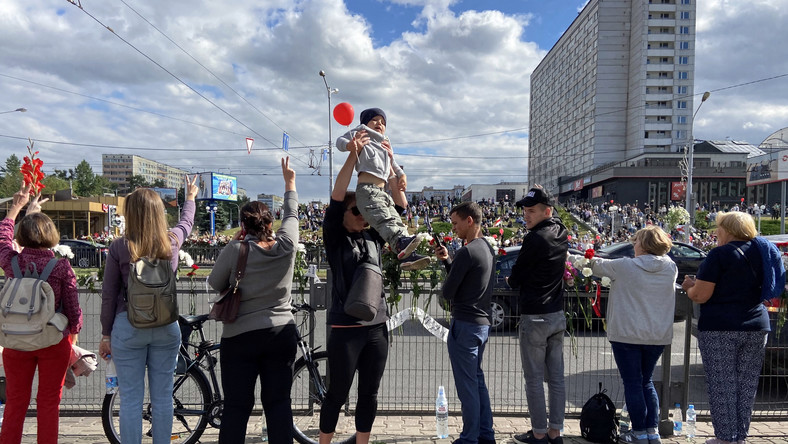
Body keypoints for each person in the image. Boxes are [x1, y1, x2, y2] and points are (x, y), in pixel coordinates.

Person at [99, 175, 199, 444]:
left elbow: (109, 295)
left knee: (131, 397)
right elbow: (186, 223)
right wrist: (190, 198)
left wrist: (106, 334)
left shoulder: (120, 246)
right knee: (163, 396)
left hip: (128, 325)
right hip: (166, 326)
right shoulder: (172, 242)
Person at [207, 158, 299, 444]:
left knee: (237, 407)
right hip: (281, 332)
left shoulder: (236, 249)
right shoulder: (287, 246)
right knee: (278, 403)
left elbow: (214, 283)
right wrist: (290, 183)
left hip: (241, 336)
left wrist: (236, 244)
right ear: (271, 222)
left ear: (243, 225)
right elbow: (293, 215)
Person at [319, 137, 398, 444]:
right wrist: (352, 156)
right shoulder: (335, 237)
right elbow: (338, 196)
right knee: (337, 394)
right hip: (345, 325)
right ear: (342, 215)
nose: (362, 214)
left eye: (364, 210)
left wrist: (390, 169)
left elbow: (394, 206)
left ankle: (361, 442)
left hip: (377, 326)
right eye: (356, 210)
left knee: (369, 393)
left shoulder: (374, 237)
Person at [681, 212, 783, 444]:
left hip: (720, 326)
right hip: (757, 324)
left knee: (722, 383)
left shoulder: (720, 254)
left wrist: (689, 287)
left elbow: (701, 295)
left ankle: (726, 438)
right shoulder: (762, 251)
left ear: (725, 230)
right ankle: (740, 436)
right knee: (747, 385)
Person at [0, 184, 82, 444]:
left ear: (21, 235)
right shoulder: (61, 267)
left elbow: (2, 238)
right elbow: (73, 309)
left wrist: (16, 208)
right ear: (52, 234)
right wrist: (74, 335)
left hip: (15, 340)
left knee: (15, 402)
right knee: (48, 403)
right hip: (51, 340)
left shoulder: (12, 262)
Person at [583, 226, 677, 444]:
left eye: (635, 242)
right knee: (646, 382)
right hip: (656, 335)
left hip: (627, 335)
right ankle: (652, 432)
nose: (633, 246)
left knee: (633, 383)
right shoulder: (671, 267)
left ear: (643, 245)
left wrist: (571, 254)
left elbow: (595, 265)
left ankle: (638, 432)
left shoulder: (625, 266)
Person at [507, 186, 568, 444]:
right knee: (556, 378)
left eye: (531, 211)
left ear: (547, 211)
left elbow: (516, 277)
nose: (526, 216)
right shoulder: (562, 232)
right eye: (525, 210)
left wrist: (512, 280)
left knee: (533, 378)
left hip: (536, 316)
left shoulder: (534, 238)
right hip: (556, 314)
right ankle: (556, 432)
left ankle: (540, 432)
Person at [336, 107, 428, 270]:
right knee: (385, 219)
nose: (380, 123)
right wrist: (351, 145)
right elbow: (339, 142)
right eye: (375, 120)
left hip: (382, 192)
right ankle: (401, 242)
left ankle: (406, 256)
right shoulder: (361, 133)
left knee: (395, 219)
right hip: (368, 190)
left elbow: (392, 162)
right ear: (365, 122)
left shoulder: (384, 141)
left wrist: (402, 175)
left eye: (383, 122)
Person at [434, 202, 496, 444]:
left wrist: (450, 266)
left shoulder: (467, 252)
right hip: (481, 323)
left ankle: (470, 438)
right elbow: (470, 282)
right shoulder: (487, 248)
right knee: (477, 382)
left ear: (470, 221)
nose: (454, 228)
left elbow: (448, 292)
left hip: (466, 324)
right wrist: (448, 261)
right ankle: (485, 434)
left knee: (467, 386)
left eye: (456, 223)